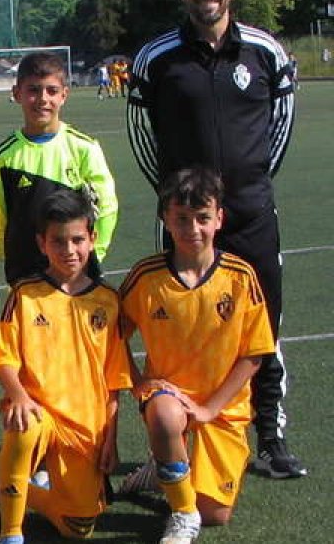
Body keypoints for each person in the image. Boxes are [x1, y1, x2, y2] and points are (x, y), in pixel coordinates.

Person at [127, 0, 304, 478]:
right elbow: (142, 135)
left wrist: (248, 187)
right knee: (180, 330)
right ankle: (174, 441)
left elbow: (281, 124)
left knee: (263, 325)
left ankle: (270, 435)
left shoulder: (265, 52)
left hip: (250, 217)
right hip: (185, 225)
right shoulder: (156, 58)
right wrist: (178, 199)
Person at [119, 167, 275, 543]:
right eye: (182, 219)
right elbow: (110, 336)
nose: (193, 229)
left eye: (202, 218)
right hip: (169, 398)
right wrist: (139, 382)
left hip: (222, 407)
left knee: (216, 515)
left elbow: (255, 353)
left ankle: (160, 471)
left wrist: (209, 409)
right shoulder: (146, 277)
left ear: (219, 218)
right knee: (165, 414)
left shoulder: (240, 277)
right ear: (165, 219)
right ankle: (182, 513)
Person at [0, 189, 130, 544]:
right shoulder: (25, 294)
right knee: (23, 426)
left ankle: (17, 490)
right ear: (42, 243)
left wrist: (111, 437)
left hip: (84, 425)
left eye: (77, 240)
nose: (69, 250)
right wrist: (19, 396)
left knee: (78, 527)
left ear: (92, 239)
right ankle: (11, 532)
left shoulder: (107, 300)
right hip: (39, 412)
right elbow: (3, 358)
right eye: (58, 241)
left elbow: (114, 379)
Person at [0, 51, 119, 285]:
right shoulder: (4, 157)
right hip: (26, 279)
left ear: (64, 95)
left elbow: (107, 208)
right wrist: (13, 259)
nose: (42, 99)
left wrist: (90, 256)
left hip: (77, 277)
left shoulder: (84, 149)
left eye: (52, 91)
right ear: (17, 94)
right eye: (33, 90)